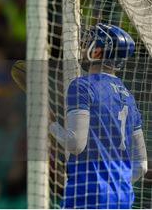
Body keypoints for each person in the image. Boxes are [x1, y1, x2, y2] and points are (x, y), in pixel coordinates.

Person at [49, 24, 148, 208]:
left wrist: (50, 125)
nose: (83, 46)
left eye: (88, 42)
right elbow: (141, 165)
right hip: (123, 198)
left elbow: (75, 145)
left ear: (97, 52)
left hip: (87, 195)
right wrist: (116, 185)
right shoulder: (129, 97)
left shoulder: (82, 86)